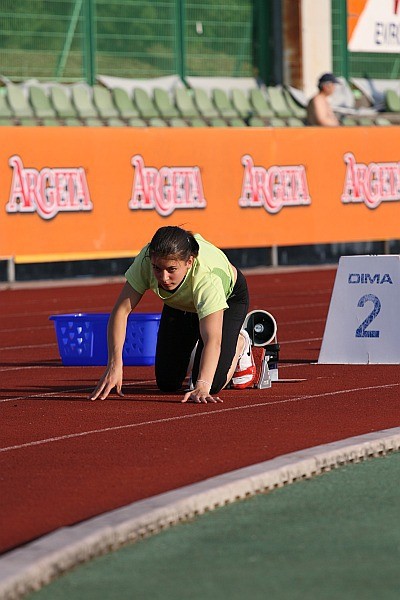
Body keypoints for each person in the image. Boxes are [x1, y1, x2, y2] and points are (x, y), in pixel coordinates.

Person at [90, 226, 256, 404]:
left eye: (171, 269)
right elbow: (121, 311)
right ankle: (195, 350)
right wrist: (114, 364)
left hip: (229, 299)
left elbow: (213, 339)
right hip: (180, 303)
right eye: (157, 268)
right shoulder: (146, 259)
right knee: (167, 383)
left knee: (210, 385)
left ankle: (239, 342)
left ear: (189, 262)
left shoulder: (207, 279)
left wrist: (202, 385)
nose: (164, 277)